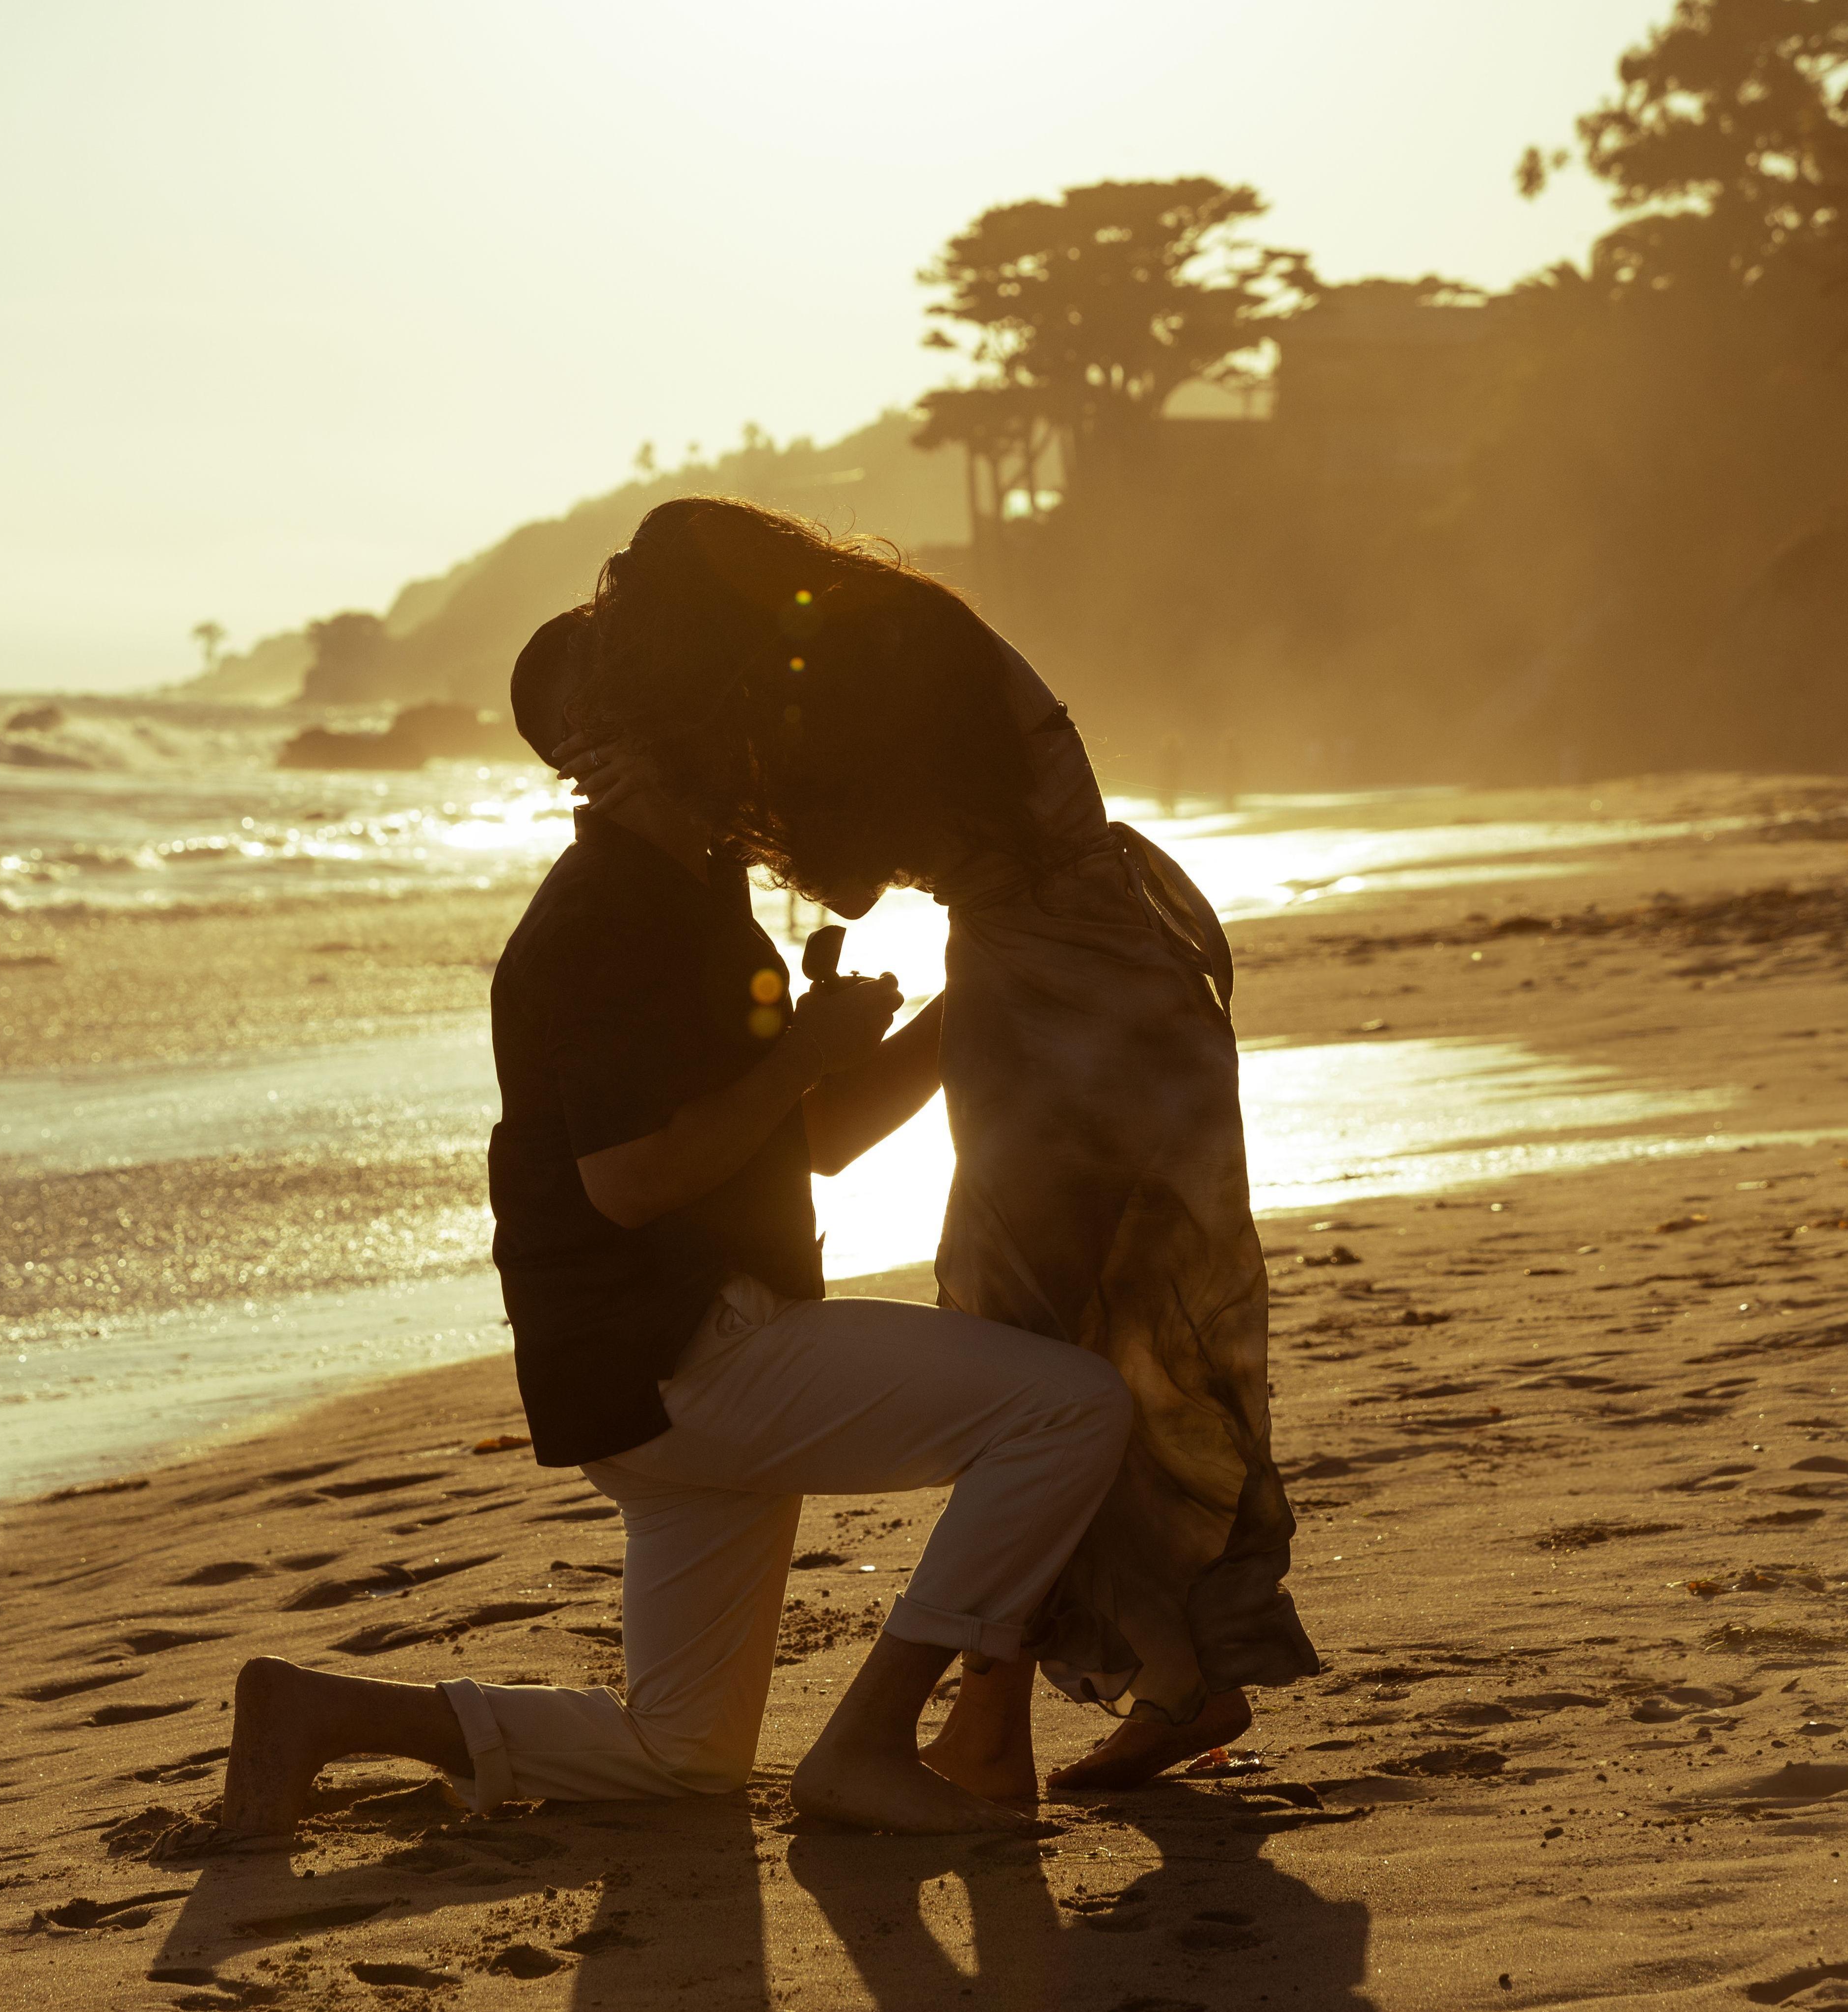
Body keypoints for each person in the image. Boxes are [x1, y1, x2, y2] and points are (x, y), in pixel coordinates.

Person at [218, 610, 1135, 1841]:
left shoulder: (692, 891)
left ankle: (320, 1711)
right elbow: (631, 1182)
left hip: (648, 1381)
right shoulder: (606, 916)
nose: (725, 710)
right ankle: (871, 1739)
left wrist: (969, 997)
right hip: (693, 1359)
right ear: (605, 740)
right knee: (1069, 1409)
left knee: (685, 1751)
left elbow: (812, 1140)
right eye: (682, 689)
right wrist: (804, 1053)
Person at [558, 498, 1320, 1808]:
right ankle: (1169, 1671)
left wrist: (698, 798)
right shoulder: (886, 628)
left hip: (1071, 995)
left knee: (1026, 1335)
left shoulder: (873, 654)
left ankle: (1000, 1721)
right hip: (1079, 974)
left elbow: (850, 873)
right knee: (1079, 1342)